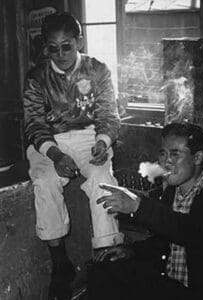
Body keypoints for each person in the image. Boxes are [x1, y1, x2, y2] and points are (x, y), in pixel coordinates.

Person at [23, 12, 124, 300]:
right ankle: (59, 264)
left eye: (67, 45)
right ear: (45, 47)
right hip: (49, 142)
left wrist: (103, 142)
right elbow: (34, 124)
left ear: (78, 41)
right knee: (44, 180)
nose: (61, 53)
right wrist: (55, 155)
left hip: (89, 137)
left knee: (102, 179)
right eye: (53, 48)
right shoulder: (37, 77)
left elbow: (108, 114)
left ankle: (107, 259)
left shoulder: (97, 69)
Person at [87, 122, 203, 300]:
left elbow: (191, 232)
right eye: (163, 153)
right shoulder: (172, 191)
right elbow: (164, 243)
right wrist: (131, 251)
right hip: (171, 285)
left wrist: (139, 206)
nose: (166, 161)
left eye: (175, 154)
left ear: (198, 158)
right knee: (102, 269)